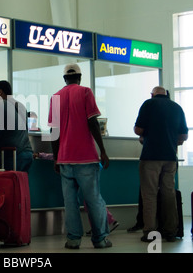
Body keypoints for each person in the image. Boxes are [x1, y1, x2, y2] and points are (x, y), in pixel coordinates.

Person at [48, 63, 112, 249]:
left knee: (70, 203)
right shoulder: (85, 92)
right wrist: (103, 150)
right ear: (80, 77)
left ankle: (73, 240)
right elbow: (93, 121)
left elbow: (54, 130)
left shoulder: (55, 97)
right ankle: (100, 239)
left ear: (64, 79)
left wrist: (55, 158)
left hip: (65, 159)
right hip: (86, 158)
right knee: (93, 200)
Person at [134, 86, 188, 242]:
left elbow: (138, 130)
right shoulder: (177, 108)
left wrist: (146, 135)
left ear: (152, 94)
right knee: (169, 193)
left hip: (151, 157)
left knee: (149, 195)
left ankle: (150, 232)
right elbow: (183, 135)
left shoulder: (148, 104)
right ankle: (171, 231)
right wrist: (172, 140)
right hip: (171, 157)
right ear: (166, 95)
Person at [0, 80, 33, 172]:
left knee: (6, 185)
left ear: (0, 92)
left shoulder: (0, 104)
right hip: (27, 154)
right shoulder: (21, 106)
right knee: (19, 185)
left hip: (13, 155)